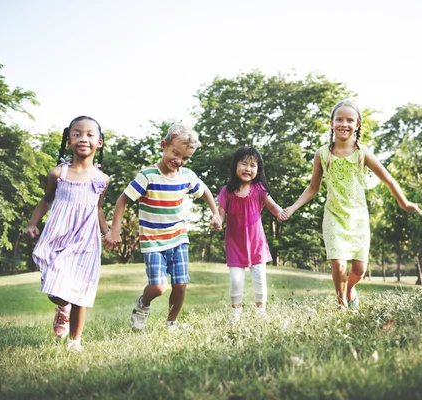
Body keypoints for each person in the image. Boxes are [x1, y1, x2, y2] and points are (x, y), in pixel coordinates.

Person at [278, 99, 422, 310]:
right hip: (334, 216)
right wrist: (292, 208)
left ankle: (348, 289)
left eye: (349, 120)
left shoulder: (363, 153)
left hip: (358, 219)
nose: (344, 124)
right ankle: (341, 304)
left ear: (357, 124)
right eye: (339, 119)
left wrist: (404, 202)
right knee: (338, 264)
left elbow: (388, 180)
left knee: (359, 270)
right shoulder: (322, 154)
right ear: (331, 123)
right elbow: (313, 188)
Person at [103, 123, 221, 331]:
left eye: (185, 158)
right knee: (158, 286)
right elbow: (122, 200)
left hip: (178, 237)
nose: (179, 161)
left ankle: (171, 323)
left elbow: (204, 192)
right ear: (164, 145)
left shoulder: (187, 176)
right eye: (175, 153)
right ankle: (142, 305)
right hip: (153, 241)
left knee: (180, 284)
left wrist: (215, 212)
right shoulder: (147, 176)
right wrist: (115, 230)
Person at [22, 116, 109, 351]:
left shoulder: (102, 179)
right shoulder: (57, 173)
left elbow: (97, 208)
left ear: (99, 142)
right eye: (77, 133)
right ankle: (63, 307)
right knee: (53, 283)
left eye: (90, 135)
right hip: (58, 234)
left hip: (86, 239)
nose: (84, 138)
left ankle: (75, 341)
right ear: (68, 139)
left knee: (81, 289)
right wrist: (32, 223)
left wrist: (107, 232)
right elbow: (47, 200)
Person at [216, 146, 283, 321]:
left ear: (258, 169)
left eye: (253, 165)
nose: (248, 169)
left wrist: (280, 212)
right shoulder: (227, 191)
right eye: (244, 164)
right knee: (236, 281)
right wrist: (216, 221)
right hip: (235, 245)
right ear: (235, 166)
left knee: (260, 279)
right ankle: (235, 313)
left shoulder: (259, 188)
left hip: (256, 244)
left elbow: (272, 206)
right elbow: (220, 215)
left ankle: (261, 311)